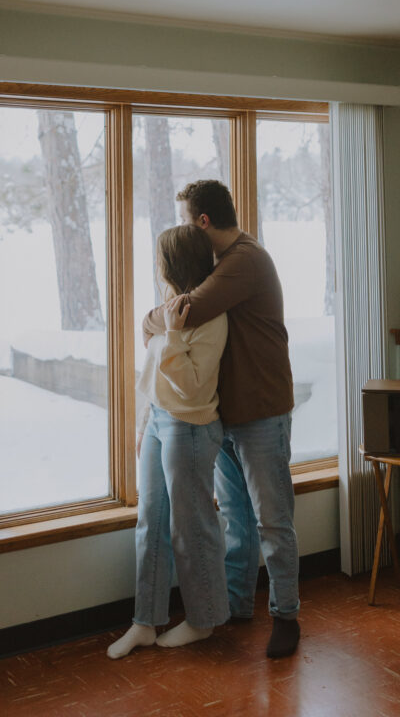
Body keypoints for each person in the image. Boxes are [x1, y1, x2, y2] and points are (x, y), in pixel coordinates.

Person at [143, 180, 300, 659]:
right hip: (227, 412)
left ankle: (286, 616)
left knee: (273, 521)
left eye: (189, 222)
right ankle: (237, 605)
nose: (187, 232)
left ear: (203, 221)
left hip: (262, 411)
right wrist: (161, 320)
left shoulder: (244, 261)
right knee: (237, 517)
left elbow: (185, 312)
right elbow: (176, 315)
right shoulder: (223, 264)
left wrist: (156, 319)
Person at [107, 224, 229, 659]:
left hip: (190, 426)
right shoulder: (170, 310)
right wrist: (145, 424)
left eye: (161, 258)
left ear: (174, 264)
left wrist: (173, 337)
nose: (157, 266)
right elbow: (154, 373)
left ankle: (203, 621)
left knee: (191, 527)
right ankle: (145, 621)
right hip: (161, 422)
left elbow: (192, 389)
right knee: (150, 522)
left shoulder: (209, 317)